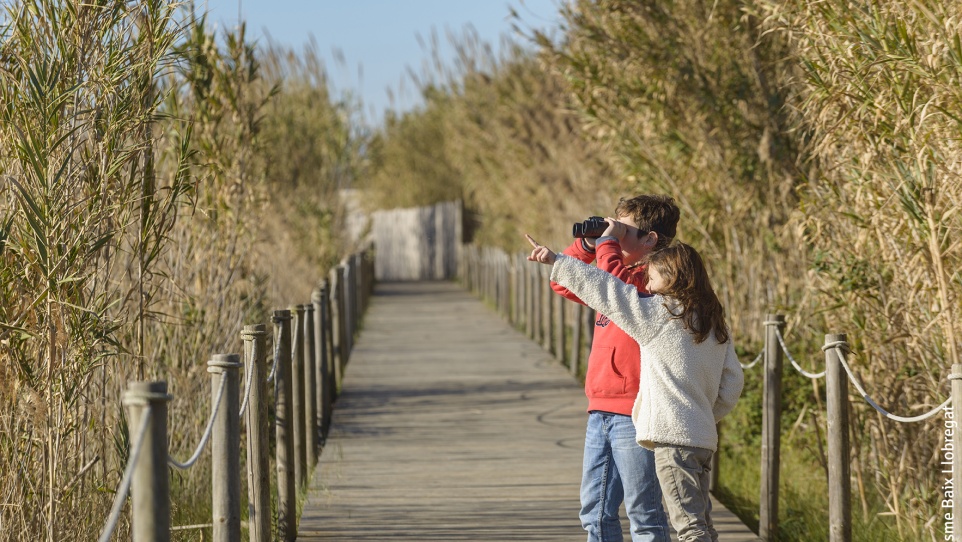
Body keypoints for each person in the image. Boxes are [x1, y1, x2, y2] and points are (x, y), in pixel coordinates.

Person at [525, 225, 744, 542]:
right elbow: (732, 383)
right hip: (701, 440)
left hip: (672, 439)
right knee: (702, 523)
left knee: (689, 529)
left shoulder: (660, 314)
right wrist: (702, 416)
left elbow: (608, 292)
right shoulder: (711, 320)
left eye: (652, 278)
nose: (648, 286)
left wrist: (558, 261)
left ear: (672, 278)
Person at [548, 195, 679, 542]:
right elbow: (563, 281)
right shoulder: (615, 274)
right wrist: (588, 245)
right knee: (594, 512)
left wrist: (607, 243)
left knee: (644, 515)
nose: (614, 236)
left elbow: (615, 287)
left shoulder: (652, 285)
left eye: (624, 230)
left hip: (636, 413)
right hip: (600, 409)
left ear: (650, 239)